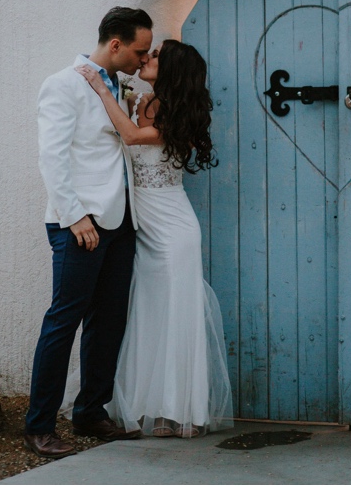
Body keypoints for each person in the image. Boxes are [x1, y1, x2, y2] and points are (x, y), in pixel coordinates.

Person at [74, 39, 233, 438]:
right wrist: (122, 99)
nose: (147, 58)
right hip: (143, 227)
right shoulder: (143, 100)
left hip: (173, 229)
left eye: (156, 55)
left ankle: (179, 409)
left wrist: (100, 87)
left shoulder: (175, 114)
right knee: (146, 315)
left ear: (173, 70)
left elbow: (129, 136)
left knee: (176, 315)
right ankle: (146, 405)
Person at [24, 6, 153, 459]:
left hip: (121, 222)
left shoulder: (121, 84)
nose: (143, 59)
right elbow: (52, 157)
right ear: (115, 44)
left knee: (108, 320)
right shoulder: (63, 84)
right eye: (139, 51)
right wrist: (75, 216)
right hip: (80, 222)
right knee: (64, 321)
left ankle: (89, 411)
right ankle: (39, 425)